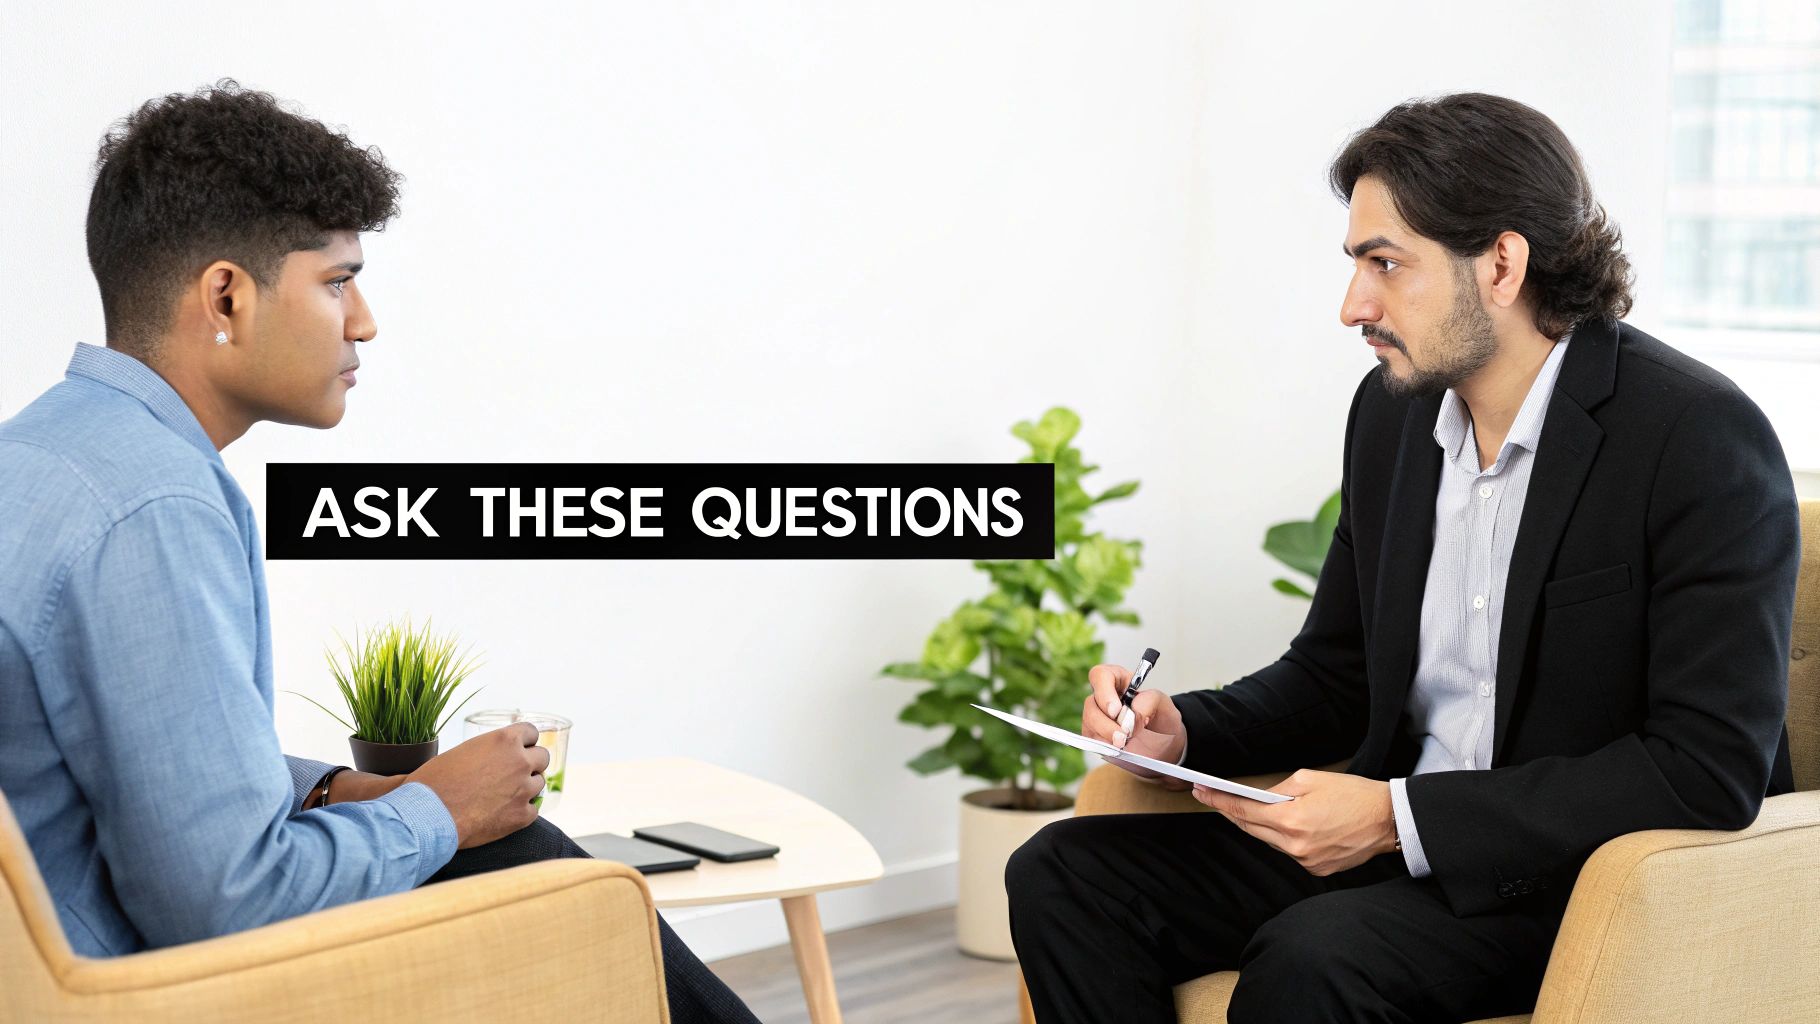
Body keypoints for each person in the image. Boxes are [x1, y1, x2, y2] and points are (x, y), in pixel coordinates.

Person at [1007, 92, 1801, 1023]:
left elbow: (1705, 765)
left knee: (1317, 958)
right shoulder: (1392, 417)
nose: (1354, 306)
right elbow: (1337, 674)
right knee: (1063, 872)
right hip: (1395, 851)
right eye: (1356, 264)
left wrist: (1396, 818)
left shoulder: (1694, 436)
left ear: (1502, 263)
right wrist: (1183, 732)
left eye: (1387, 264)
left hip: (1574, 882)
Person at [0, 79, 757, 1024]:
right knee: (529, 865)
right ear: (226, 295)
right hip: (133, 992)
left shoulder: (39, 454)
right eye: (336, 280)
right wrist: (441, 811)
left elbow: (139, 762)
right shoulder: (155, 506)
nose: (364, 321)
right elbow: (224, 902)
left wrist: (344, 788)